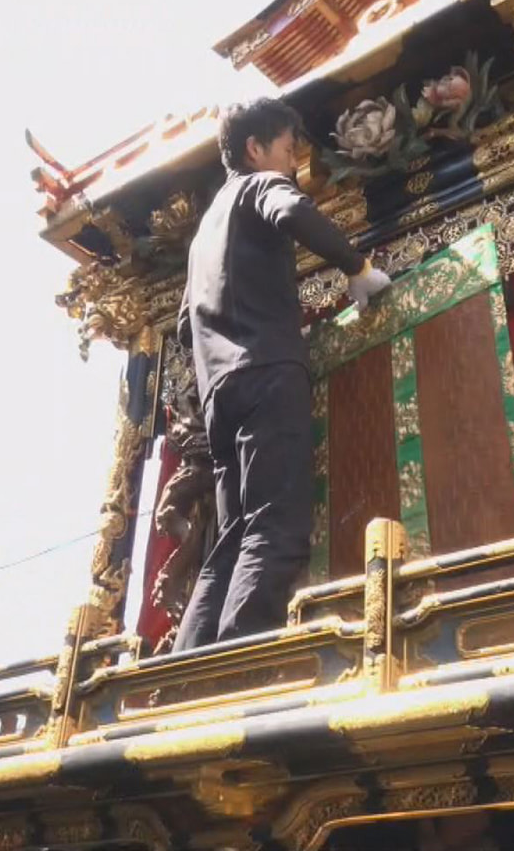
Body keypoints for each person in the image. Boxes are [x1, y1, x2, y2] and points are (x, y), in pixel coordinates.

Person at [171, 98, 391, 651]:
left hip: (221, 395)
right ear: (255, 149)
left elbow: (182, 326)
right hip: (267, 372)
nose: (293, 164)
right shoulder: (256, 188)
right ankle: (236, 670)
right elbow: (291, 210)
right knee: (276, 530)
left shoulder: (202, 238)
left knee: (232, 540)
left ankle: (183, 674)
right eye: (289, 151)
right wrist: (358, 269)